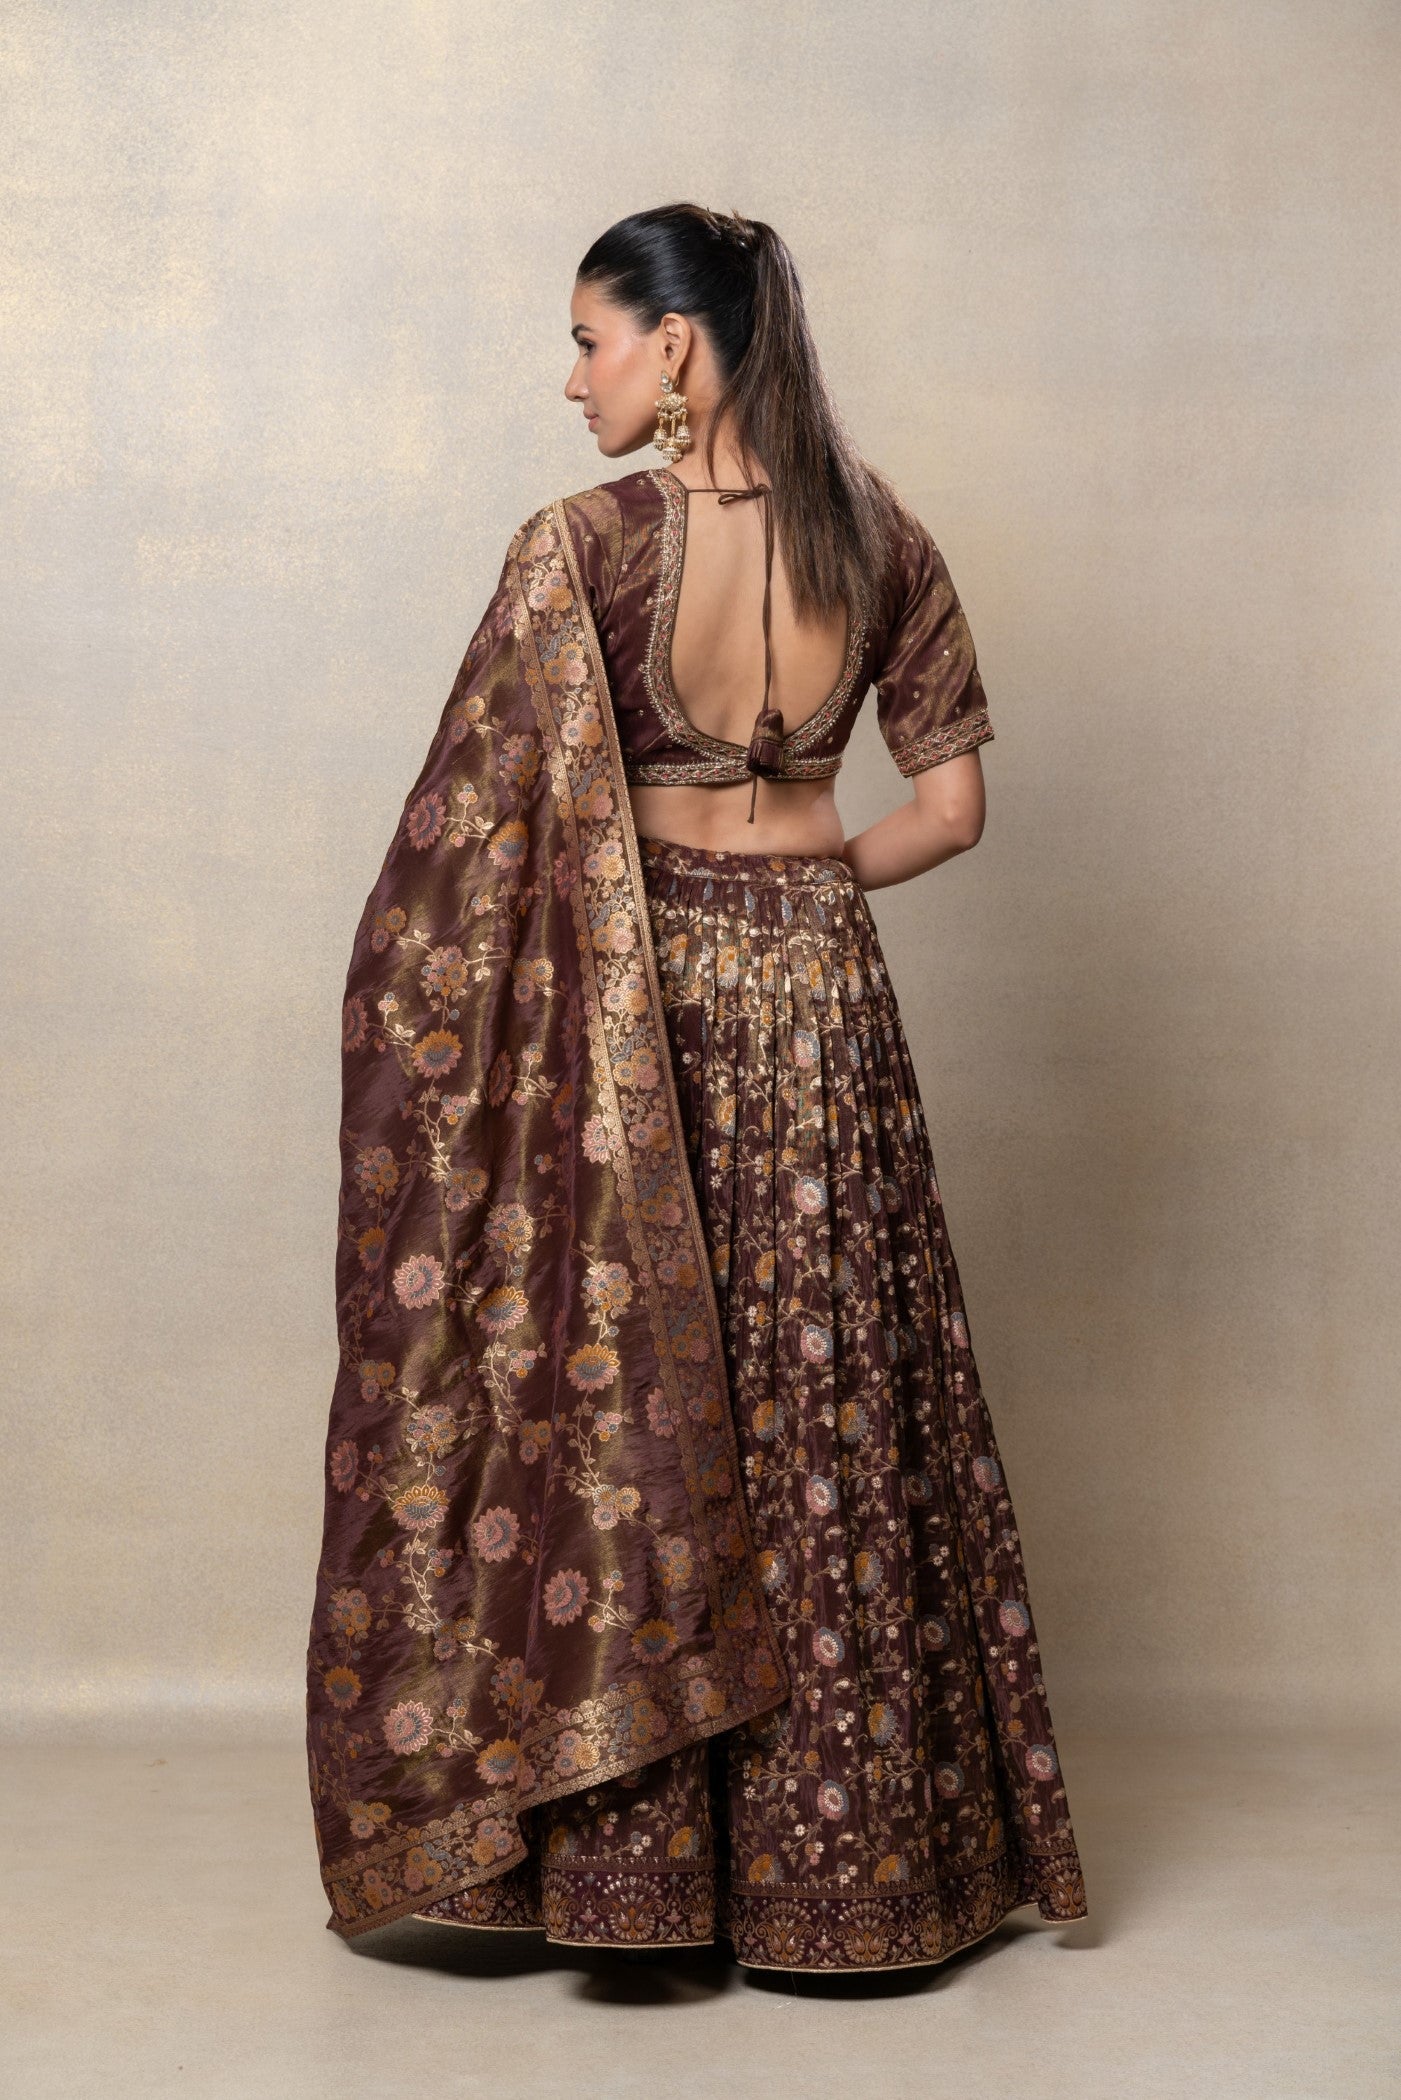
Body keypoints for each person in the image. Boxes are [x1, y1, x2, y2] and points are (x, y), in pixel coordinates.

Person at [306, 203, 1088, 1975]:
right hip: (823, 1000)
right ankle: (849, 1876)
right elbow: (951, 810)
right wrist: (802, 895)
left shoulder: (580, 548)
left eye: (588, 338)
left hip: (637, 1012)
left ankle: (635, 1883)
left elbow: (463, 856)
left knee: (637, 1416)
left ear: (674, 346)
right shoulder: (879, 535)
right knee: (832, 1408)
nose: (571, 376)